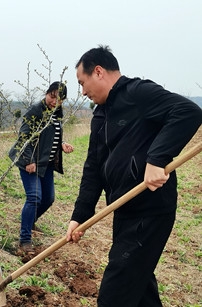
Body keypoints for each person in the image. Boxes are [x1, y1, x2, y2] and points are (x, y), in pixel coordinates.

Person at [65, 45, 202, 306]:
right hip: (124, 210)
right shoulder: (100, 115)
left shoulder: (137, 93)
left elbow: (188, 112)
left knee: (115, 294)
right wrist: (79, 216)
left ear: (98, 71)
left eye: (82, 83)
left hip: (149, 210)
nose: (82, 91)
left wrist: (156, 159)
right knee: (139, 288)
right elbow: (93, 167)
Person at [9, 81, 74, 255]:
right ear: (47, 94)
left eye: (59, 99)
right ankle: (24, 240)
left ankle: (29, 222)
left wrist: (61, 144)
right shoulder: (35, 112)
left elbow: (50, 134)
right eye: (52, 96)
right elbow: (24, 137)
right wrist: (29, 160)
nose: (54, 101)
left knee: (48, 199)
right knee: (34, 197)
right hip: (29, 162)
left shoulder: (56, 113)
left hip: (45, 163)